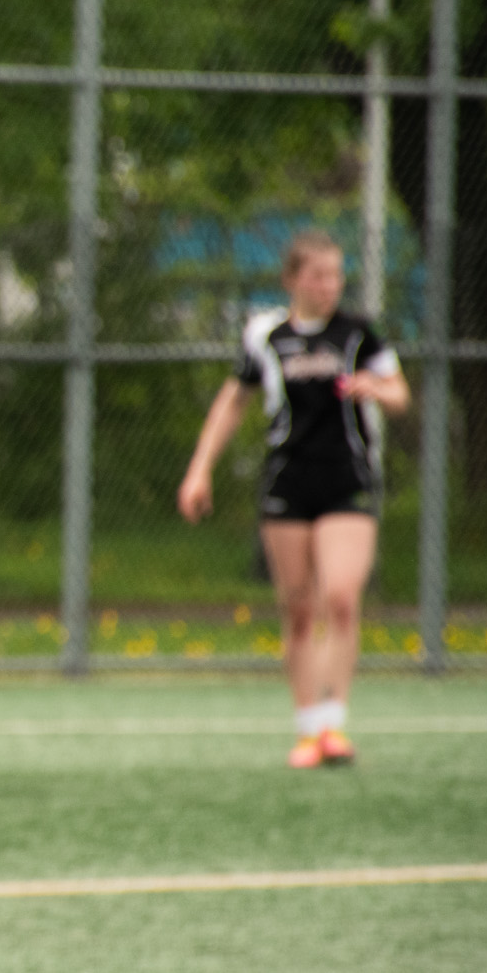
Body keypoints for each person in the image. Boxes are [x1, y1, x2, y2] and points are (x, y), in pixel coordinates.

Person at [178, 228, 409, 768]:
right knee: (299, 607)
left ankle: (334, 723)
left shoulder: (358, 334)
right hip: (288, 482)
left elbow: (399, 392)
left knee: (342, 597)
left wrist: (377, 389)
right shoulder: (267, 335)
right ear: (292, 280)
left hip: (346, 478)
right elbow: (233, 402)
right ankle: (307, 728)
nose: (330, 286)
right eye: (318, 275)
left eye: (336, 275)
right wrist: (199, 471)